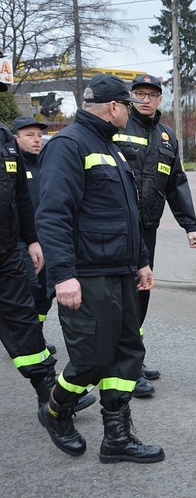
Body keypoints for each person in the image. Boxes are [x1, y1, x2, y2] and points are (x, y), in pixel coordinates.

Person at [35, 74, 164, 463]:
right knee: (92, 358)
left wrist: (141, 261)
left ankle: (117, 437)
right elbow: (53, 214)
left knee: (127, 353)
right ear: (114, 108)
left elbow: (128, 216)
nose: (131, 111)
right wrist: (63, 275)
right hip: (86, 275)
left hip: (120, 271)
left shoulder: (111, 148)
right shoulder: (68, 145)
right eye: (128, 105)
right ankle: (56, 410)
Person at [0, 84, 95, 413]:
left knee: (24, 320)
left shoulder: (3, 140)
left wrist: (33, 239)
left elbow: (20, 200)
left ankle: (47, 393)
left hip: (8, 251)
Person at [113, 73, 196, 398]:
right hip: (117, 228)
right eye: (140, 94)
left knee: (142, 291)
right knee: (124, 293)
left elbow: (176, 183)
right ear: (131, 97)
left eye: (152, 94)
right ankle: (125, 365)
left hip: (147, 229)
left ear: (160, 99)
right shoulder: (119, 128)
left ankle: (132, 354)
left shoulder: (166, 138)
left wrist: (190, 226)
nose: (146, 99)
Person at [12, 116, 56, 355]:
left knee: (45, 293)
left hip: (48, 240)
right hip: (21, 242)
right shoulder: (12, 167)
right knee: (29, 288)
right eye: (30, 135)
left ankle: (35, 335)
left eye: (39, 135)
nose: (37, 140)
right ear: (16, 138)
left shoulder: (48, 165)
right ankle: (25, 340)